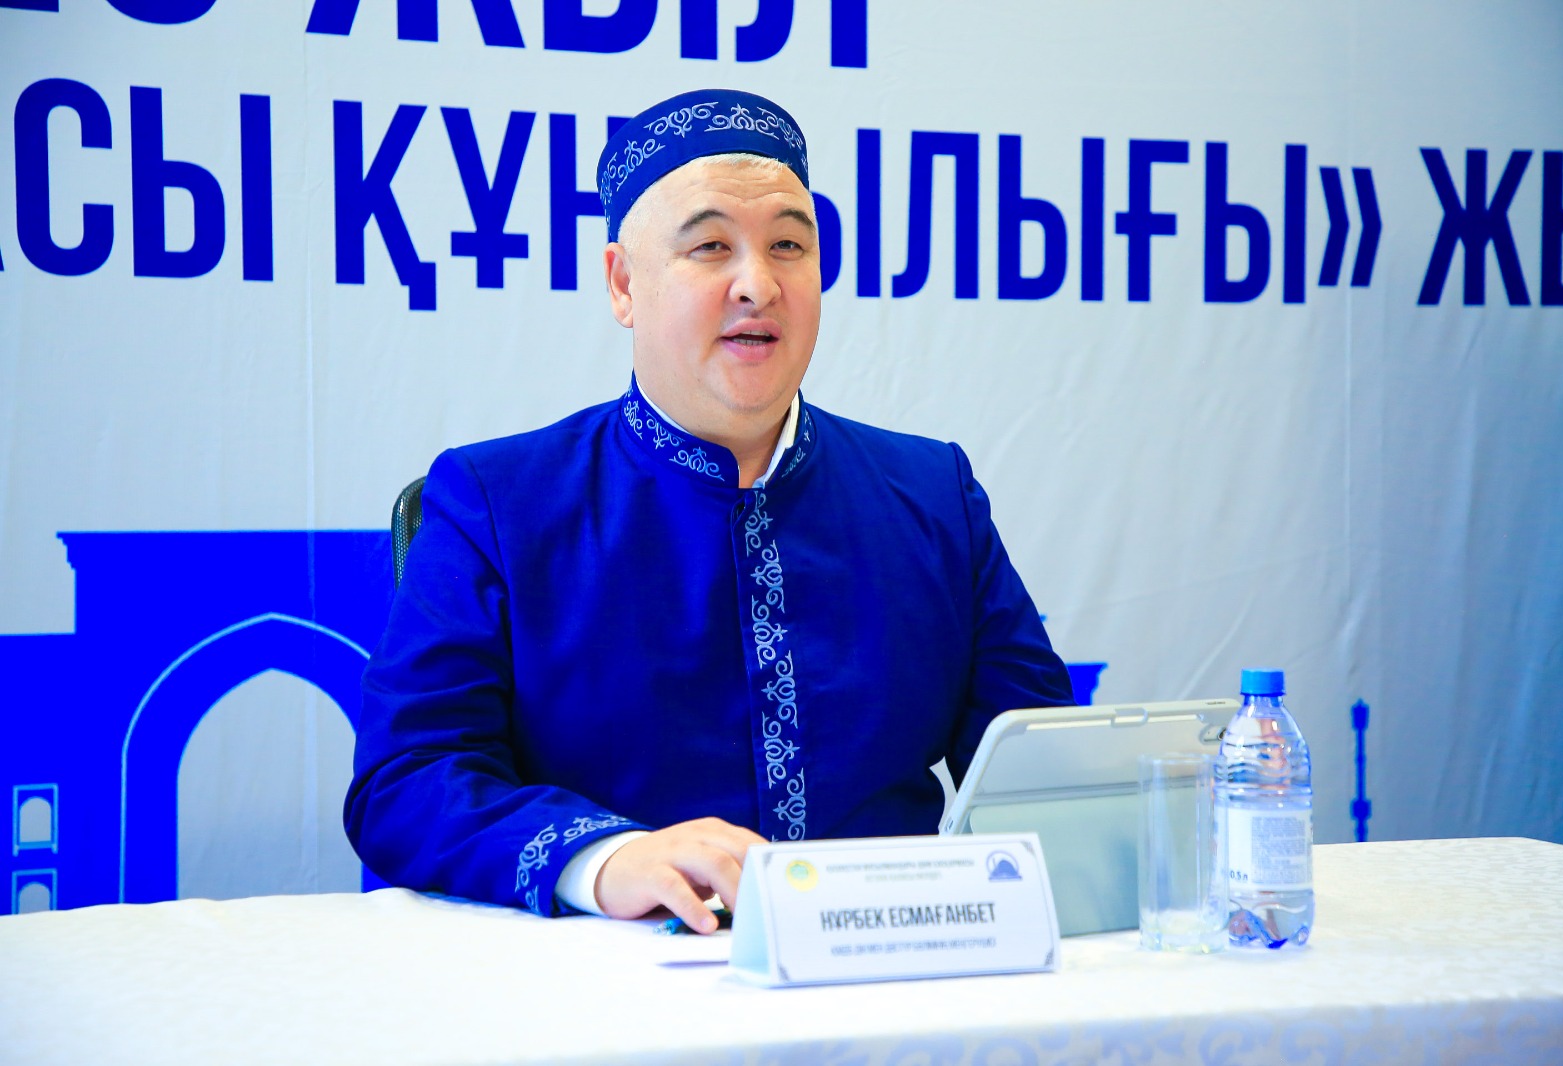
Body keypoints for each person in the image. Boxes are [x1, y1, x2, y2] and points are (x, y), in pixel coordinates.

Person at [345, 89, 1075, 934]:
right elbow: (406, 780)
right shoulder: (499, 501)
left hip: (892, 970)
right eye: (711, 247)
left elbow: (1045, 771)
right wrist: (606, 859)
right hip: (607, 974)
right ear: (624, 283)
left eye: (789, 246)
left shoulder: (932, 494)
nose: (758, 285)